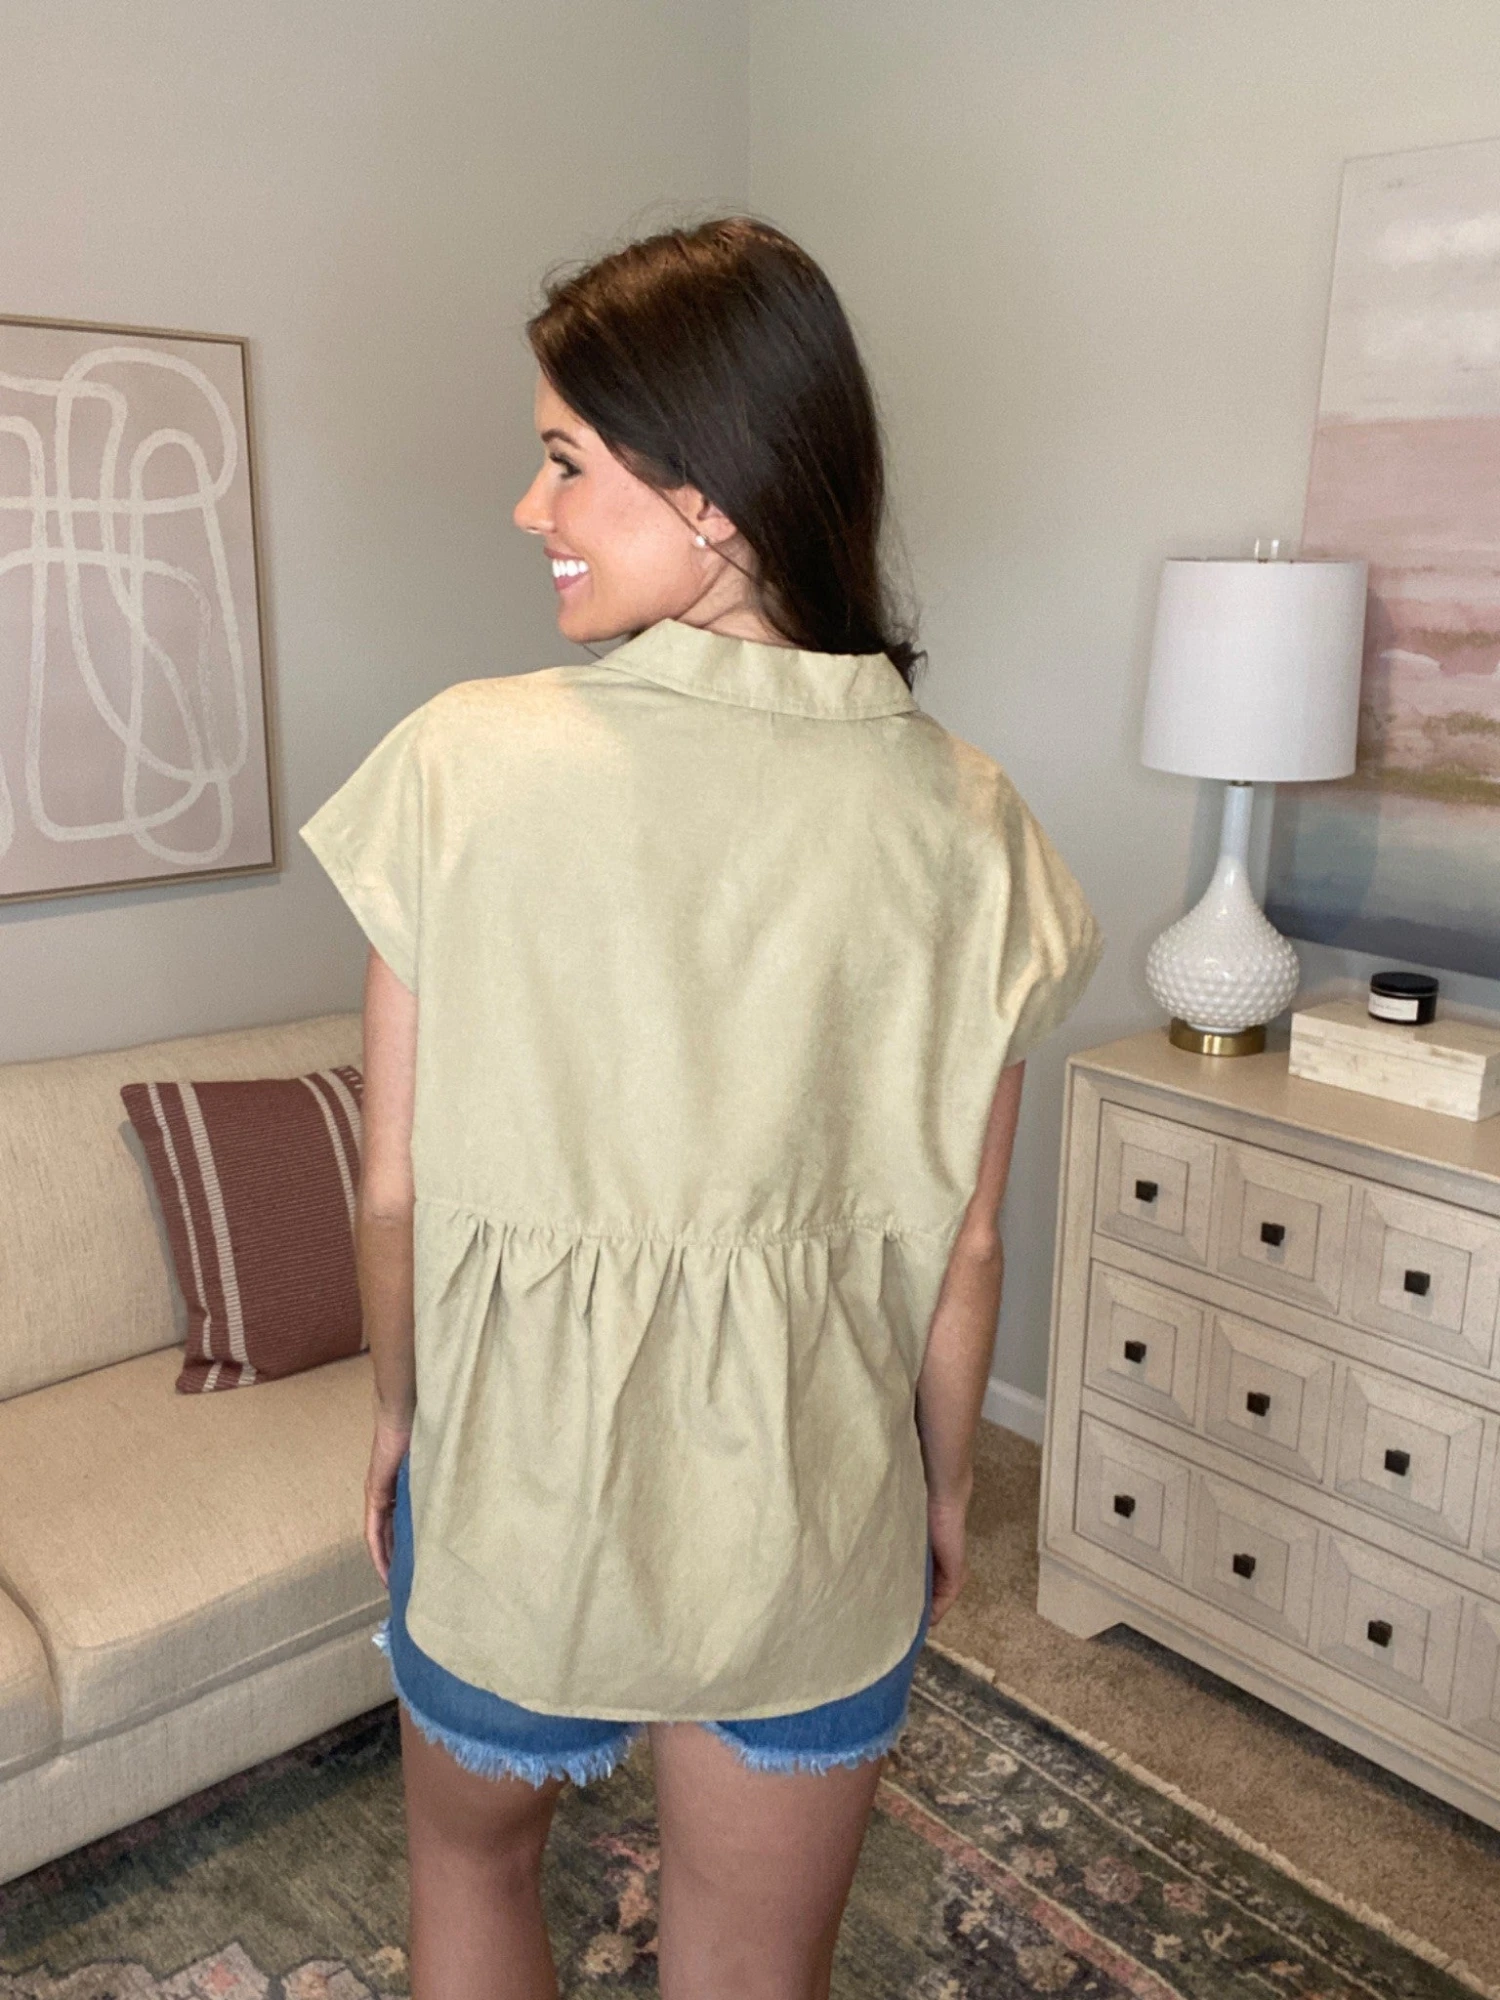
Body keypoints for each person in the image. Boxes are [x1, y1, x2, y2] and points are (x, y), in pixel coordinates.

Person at [299, 214, 1103, 2000]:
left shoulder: (460, 766)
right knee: (751, 1969)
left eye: (565, 460)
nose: (529, 506)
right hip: (814, 1514)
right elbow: (969, 1253)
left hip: (511, 1492)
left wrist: (402, 1419)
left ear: (715, 495)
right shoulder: (974, 828)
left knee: (470, 1874)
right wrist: (944, 1488)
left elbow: (392, 1192)